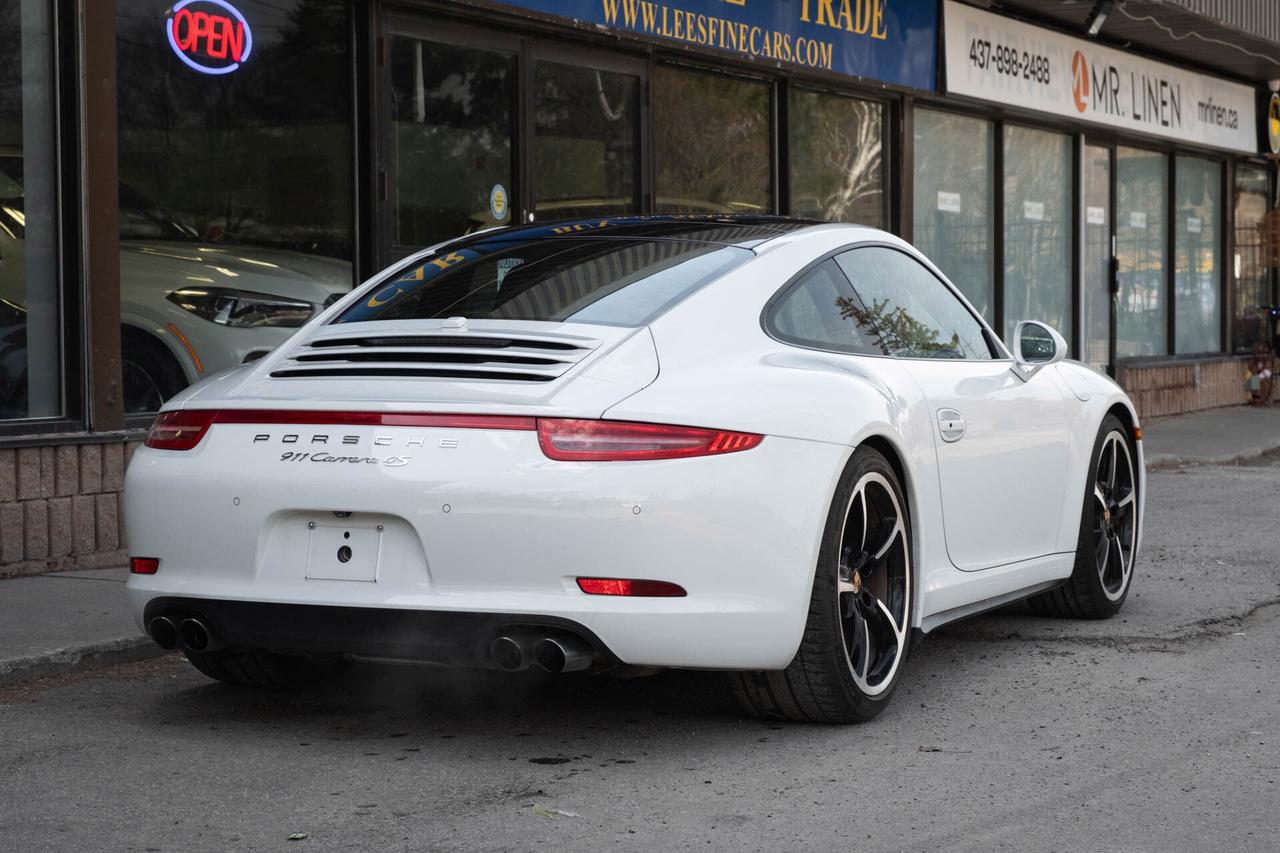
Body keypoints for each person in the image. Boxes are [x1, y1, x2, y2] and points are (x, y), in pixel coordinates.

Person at [1246, 341, 1275, 406]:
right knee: (1252, 378)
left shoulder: (1267, 355)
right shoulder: (1258, 356)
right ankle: (1255, 397)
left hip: (1267, 370)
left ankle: (1257, 398)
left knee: (1255, 379)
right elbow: (1257, 366)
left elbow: (1267, 366)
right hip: (1262, 370)